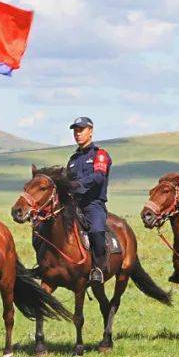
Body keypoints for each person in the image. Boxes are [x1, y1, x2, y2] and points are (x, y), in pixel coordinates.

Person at [66, 116, 111, 283]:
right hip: (74, 205)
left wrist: (77, 184)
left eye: (81, 130)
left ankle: (98, 268)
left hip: (93, 204)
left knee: (96, 231)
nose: (77, 134)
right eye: (75, 131)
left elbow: (99, 177)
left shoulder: (100, 155)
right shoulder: (73, 159)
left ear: (90, 131)